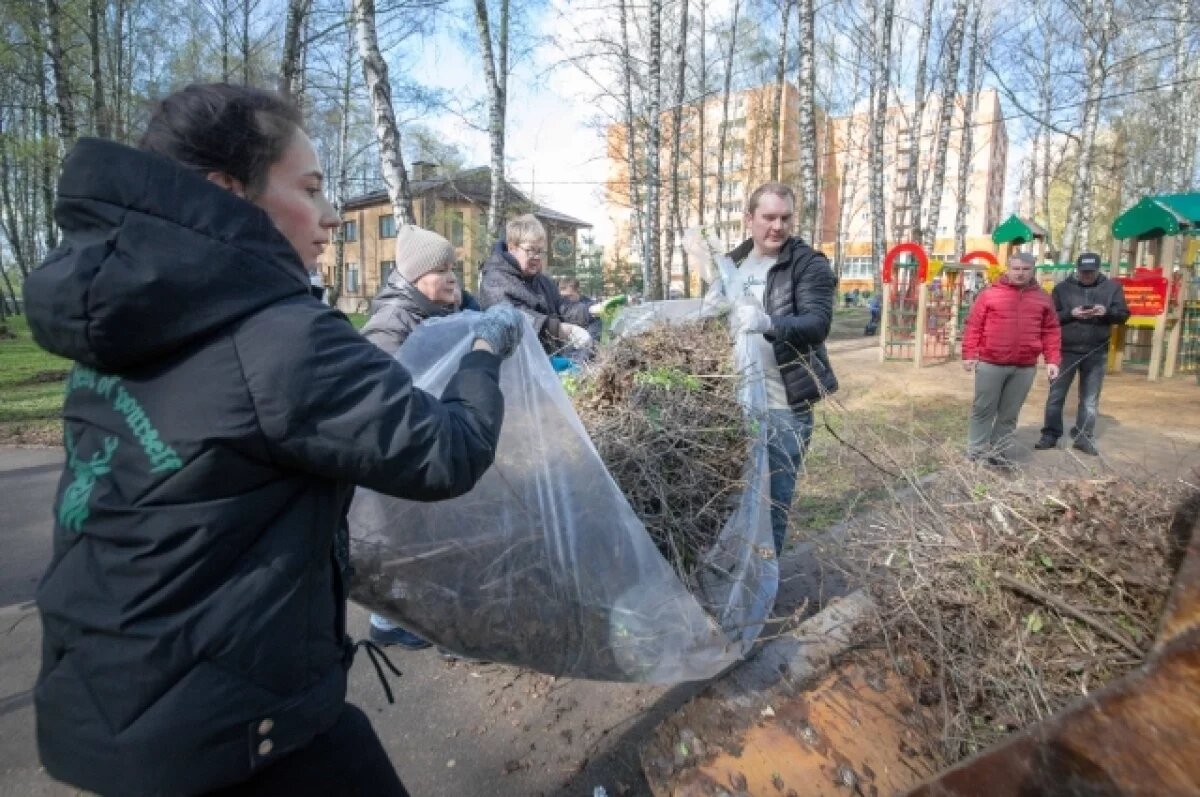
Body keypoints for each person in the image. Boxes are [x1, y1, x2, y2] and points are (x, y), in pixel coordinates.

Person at [22, 83, 526, 797]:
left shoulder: (120, 321)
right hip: (227, 721)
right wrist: (482, 348)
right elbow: (447, 449)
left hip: (106, 694)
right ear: (229, 194)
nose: (329, 217)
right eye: (312, 188)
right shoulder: (278, 336)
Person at [360, 225, 463, 651]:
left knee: (417, 535)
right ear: (419, 278)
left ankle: (403, 612)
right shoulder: (390, 325)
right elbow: (382, 400)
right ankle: (386, 622)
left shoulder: (427, 312)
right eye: (446, 273)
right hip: (395, 453)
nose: (455, 281)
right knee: (398, 540)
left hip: (422, 444)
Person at [723, 181, 838, 556]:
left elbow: (817, 324)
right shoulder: (733, 263)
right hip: (734, 403)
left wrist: (769, 323)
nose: (778, 226)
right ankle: (735, 575)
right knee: (733, 498)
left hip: (782, 406)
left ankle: (763, 586)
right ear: (750, 219)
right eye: (769, 217)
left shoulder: (808, 265)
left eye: (785, 218)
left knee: (772, 501)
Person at [961, 251, 1061, 467]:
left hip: (1024, 366)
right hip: (990, 362)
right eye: (1016, 269)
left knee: (1009, 413)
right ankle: (975, 452)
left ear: (1033, 270)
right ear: (1008, 269)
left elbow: (1051, 331)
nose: (1020, 274)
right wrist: (969, 354)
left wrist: (1053, 360)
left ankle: (998, 453)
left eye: (1026, 269)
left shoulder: (1043, 298)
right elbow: (974, 325)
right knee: (983, 409)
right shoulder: (989, 294)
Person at [1035, 251, 1129, 455]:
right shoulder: (1062, 289)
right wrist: (1071, 313)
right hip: (1066, 350)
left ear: (1098, 269)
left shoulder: (1112, 288)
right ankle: (1050, 434)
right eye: (1083, 272)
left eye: (1091, 272)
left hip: (1096, 351)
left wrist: (1106, 312)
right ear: (1077, 270)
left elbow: (1123, 315)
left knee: (1089, 399)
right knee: (1056, 396)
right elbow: (1050, 318)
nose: (1087, 275)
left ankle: (1083, 437)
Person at [479, 214, 593, 355]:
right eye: (531, 250)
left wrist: (590, 311)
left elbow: (563, 307)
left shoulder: (542, 280)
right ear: (512, 247)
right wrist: (560, 330)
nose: (537, 257)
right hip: (516, 364)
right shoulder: (495, 280)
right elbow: (518, 318)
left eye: (540, 251)